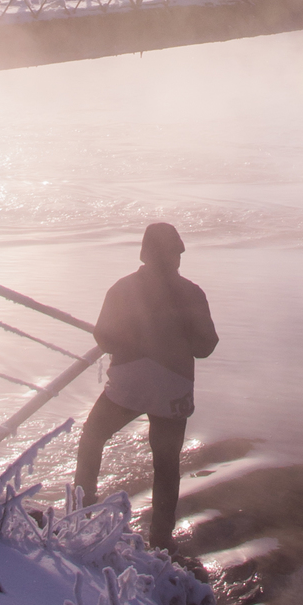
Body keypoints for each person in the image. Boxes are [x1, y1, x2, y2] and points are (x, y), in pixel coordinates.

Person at [74, 221, 218, 549]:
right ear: (177, 255)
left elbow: (104, 337)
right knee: (166, 464)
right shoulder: (193, 293)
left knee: (93, 435)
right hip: (174, 387)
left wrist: (135, 342)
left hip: (130, 383)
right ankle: (161, 542)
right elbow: (206, 346)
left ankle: (81, 512)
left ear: (144, 253)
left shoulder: (122, 288)